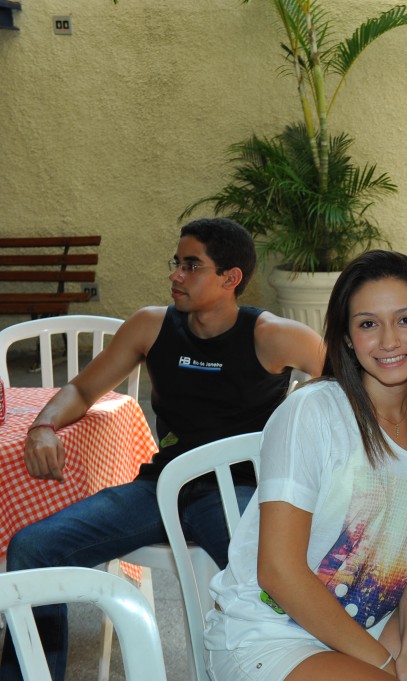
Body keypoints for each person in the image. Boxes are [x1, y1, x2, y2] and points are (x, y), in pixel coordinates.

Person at [0, 217, 326, 681]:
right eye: (177, 262)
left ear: (230, 278)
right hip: (161, 486)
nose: (176, 274)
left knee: (276, 583)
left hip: (236, 493)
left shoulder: (271, 335)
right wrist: (43, 425)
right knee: (33, 548)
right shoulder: (151, 326)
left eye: (192, 265)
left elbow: (347, 385)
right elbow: (82, 389)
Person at [205, 251, 407, 681]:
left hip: (373, 621)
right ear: (346, 337)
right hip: (269, 633)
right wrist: (387, 666)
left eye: (406, 320)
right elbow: (278, 573)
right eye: (367, 324)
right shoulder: (313, 411)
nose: (389, 341)